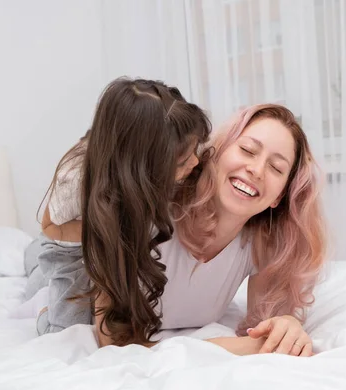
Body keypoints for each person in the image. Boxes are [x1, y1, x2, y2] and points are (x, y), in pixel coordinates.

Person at [96, 103, 328, 356]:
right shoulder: (152, 211)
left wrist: (288, 325)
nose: (257, 170)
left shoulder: (261, 246)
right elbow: (113, 343)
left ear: (279, 196)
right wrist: (238, 347)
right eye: (247, 150)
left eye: (276, 168)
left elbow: (262, 333)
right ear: (217, 152)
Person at [27, 77, 211, 346]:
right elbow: (51, 227)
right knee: (63, 329)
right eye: (183, 161)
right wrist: (110, 231)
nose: (194, 162)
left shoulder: (169, 149)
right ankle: (40, 286)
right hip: (70, 243)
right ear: (141, 166)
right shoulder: (75, 177)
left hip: (118, 239)